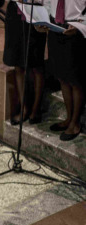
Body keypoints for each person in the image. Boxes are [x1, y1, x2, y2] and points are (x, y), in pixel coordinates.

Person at [37, 0, 85, 141]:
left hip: (76, 29)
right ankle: (68, 118)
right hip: (55, 26)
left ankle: (75, 123)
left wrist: (80, 26)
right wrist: (43, 19)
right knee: (62, 77)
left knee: (75, 80)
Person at [3, 0, 47, 125]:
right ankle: (24, 107)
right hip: (15, 11)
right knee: (18, 62)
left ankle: (36, 108)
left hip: (36, 10)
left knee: (36, 63)